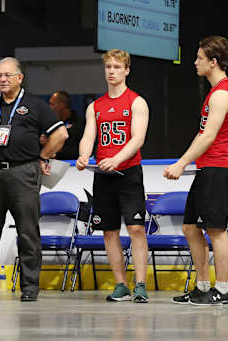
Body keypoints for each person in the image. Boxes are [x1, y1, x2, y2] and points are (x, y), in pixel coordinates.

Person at [0, 57, 68, 303]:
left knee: (28, 233)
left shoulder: (35, 104)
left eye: (8, 75)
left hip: (24, 173)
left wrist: (42, 157)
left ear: (20, 78)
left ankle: (29, 287)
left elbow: (61, 134)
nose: (2, 79)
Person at [164, 35, 228, 305]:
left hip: (218, 169)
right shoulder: (214, 92)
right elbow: (201, 134)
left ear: (213, 62)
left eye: (199, 58)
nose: (195, 62)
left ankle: (222, 289)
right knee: (189, 227)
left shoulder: (221, 93)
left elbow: (208, 137)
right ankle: (203, 285)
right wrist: (184, 160)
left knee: (216, 230)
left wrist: (181, 164)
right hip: (207, 169)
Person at [76, 49, 150, 303]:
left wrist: (117, 159)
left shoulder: (137, 102)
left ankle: (140, 284)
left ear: (127, 70)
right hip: (103, 175)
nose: (112, 71)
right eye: (108, 66)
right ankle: (121, 284)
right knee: (109, 231)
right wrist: (84, 156)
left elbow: (138, 139)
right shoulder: (95, 106)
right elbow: (88, 136)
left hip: (128, 173)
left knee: (136, 227)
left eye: (117, 67)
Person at [40, 90, 85, 160]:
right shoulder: (49, 125)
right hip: (50, 166)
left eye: (52, 104)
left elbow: (78, 150)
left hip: (74, 168)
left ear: (62, 105)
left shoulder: (80, 125)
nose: (49, 108)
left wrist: (51, 149)